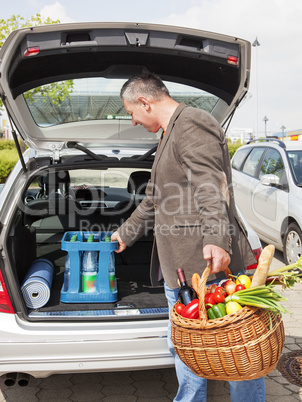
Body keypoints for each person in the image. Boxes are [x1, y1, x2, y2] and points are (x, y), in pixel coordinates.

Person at [111, 69, 265, 401]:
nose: (134, 121)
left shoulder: (192, 123)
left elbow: (211, 187)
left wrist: (215, 237)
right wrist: (125, 234)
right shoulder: (168, 133)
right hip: (180, 267)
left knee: (232, 350)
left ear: (144, 102)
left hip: (203, 262)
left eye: (131, 113)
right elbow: (155, 197)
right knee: (187, 348)